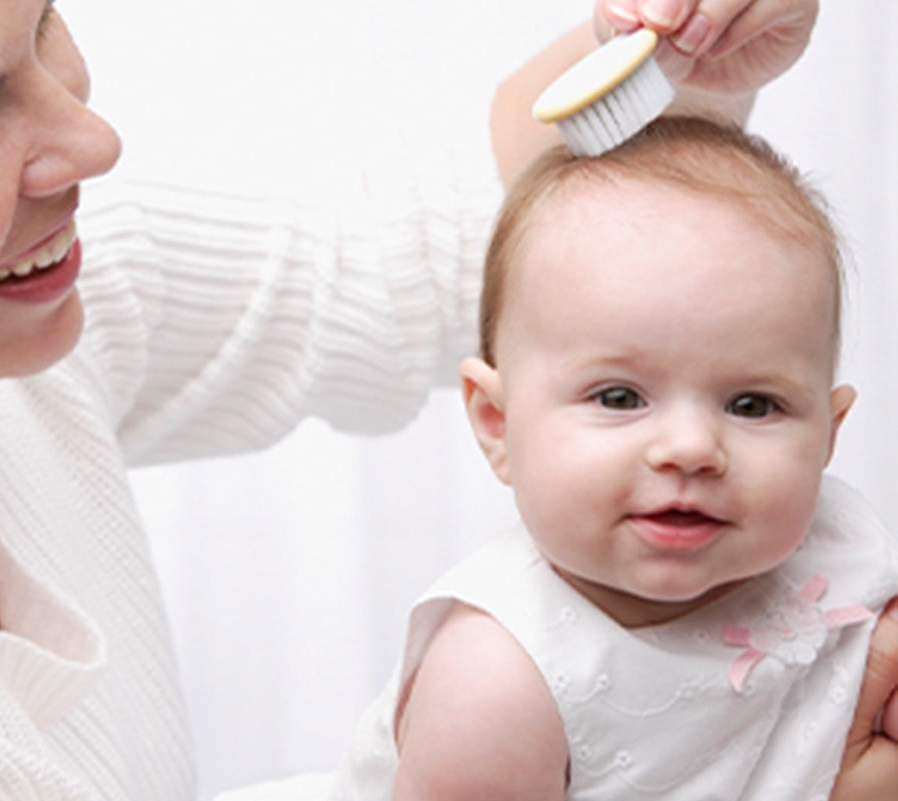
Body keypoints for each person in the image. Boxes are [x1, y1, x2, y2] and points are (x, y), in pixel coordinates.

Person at [0, 0, 894, 798]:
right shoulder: (496, 684)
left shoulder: (54, 291)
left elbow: (446, 261)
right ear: (490, 422)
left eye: (41, 25)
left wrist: (668, 61)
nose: (92, 141)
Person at [331, 117, 898, 800]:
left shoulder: (840, 551)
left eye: (752, 405)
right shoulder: (496, 683)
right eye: (620, 396)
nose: (690, 447)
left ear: (828, 436)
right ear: (497, 422)